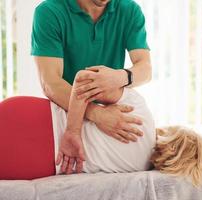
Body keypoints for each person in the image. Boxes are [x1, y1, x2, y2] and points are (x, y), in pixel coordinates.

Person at [0, 74, 202, 186]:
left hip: (30, 117)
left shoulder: (141, 113)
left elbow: (82, 80)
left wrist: (74, 130)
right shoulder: (138, 169)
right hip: (35, 162)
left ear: (176, 134)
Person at [31, 0, 152, 172]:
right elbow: (50, 83)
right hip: (63, 116)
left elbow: (145, 69)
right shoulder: (49, 11)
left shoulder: (129, 10)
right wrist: (97, 114)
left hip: (109, 112)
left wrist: (119, 77)